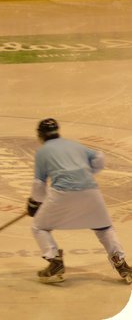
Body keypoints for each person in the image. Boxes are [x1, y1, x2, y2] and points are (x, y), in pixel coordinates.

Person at [27, 118, 132, 284]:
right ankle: (121, 263)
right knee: (104, 228)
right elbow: (99, 157)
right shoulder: (73, 144)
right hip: (91, 191)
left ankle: (55, 262)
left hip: (62, 194)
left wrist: (34, 203)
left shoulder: (42, 152)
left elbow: (39, 185)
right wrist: (85, 173)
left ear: (40, 135)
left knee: (39, 227)